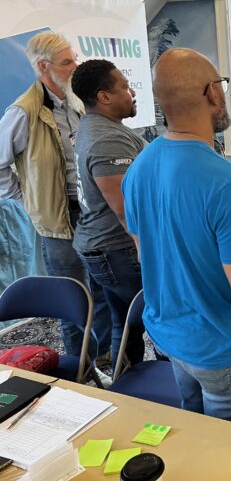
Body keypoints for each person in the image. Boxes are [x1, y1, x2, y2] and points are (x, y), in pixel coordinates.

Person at [122, 48, 231, 427]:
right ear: (212, 92)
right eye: (222, 84)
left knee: (196, 442)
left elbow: (149, 257)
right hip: (228, 354)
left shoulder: (139, 167)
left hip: (172, 341)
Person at [0, 31, 111, 368]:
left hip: (94, 215)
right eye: (68, 62)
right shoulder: (23, 111)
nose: (76, 66)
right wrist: (29, 203)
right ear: (44, 67)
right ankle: (82, 367)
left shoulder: (78, 101)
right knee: (72, 297)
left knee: (104, 289)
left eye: (74, 58)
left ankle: (106, 356)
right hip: (59, 223)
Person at [70, 59, 146, 369]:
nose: (131, 93)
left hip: (102, 246)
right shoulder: (108, 140)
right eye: (125, 87)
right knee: (157, 318)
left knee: (125, 323)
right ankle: (168, 389)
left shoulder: (95, 127)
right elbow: (127, 210)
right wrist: (149, 253)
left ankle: (126, 382)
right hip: (117, 250)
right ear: (104, 96)